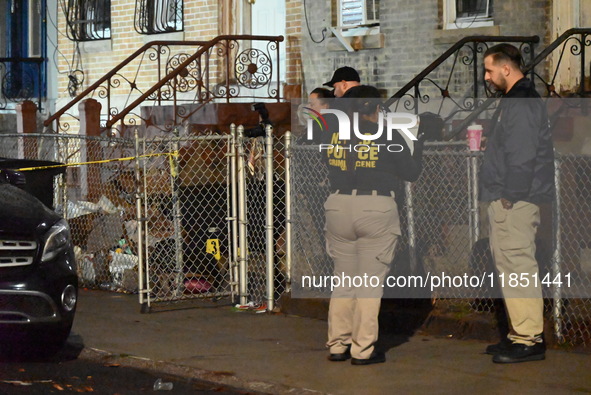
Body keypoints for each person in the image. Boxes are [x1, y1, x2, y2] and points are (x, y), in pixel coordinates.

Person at [323, 85, 425, 365]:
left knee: (343, 280)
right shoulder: (388, 135)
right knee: (368, 284)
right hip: (375, 206)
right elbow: (411, 171)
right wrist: (417, 142)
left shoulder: (335, 135)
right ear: (376, 109)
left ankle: (337, 344)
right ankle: (362, 349)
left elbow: (326, 161)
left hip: (338, 204)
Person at [479, 43, 554, 363]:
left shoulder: (521, 101)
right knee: (510, 267)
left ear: (506, 69)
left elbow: (522, 155)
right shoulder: (517, 99)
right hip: (515, 196)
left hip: (516, 199)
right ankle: (519, 333)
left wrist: (511, 194)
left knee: (518, 267)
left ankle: (529, 338)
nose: (486, 77)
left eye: (489, 70)